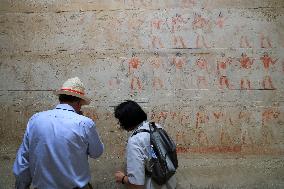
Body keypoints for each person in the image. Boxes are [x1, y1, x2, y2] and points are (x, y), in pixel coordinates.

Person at [13, 77, 104, 189]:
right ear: (79, 102)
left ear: (60, 98)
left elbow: (23, 160)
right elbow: (97, 153)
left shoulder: (35, 119)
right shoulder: (84, 123)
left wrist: (22, 186)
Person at [114, 100, 177, 189]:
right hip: (170, 182)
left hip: (153, 185)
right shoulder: (157, 127)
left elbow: (136, 185)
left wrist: (123, 178)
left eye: (121, 121)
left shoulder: (135, 141)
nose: (119, 124)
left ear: (128, 120)